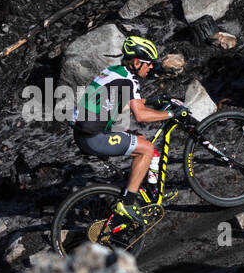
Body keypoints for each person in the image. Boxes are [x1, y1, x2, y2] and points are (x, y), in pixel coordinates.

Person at [69, 36, 184, 226]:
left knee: (139, 139)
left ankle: (151, 191)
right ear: (137, 62)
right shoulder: (128, 80)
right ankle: (128, 202)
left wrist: (153, 102)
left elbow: (127, 103)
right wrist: (171, 115)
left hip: (85, 131)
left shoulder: (114, 72)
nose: (152, 68)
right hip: (94, 137)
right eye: (149, 64)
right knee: (146, 149)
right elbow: (140, 115)